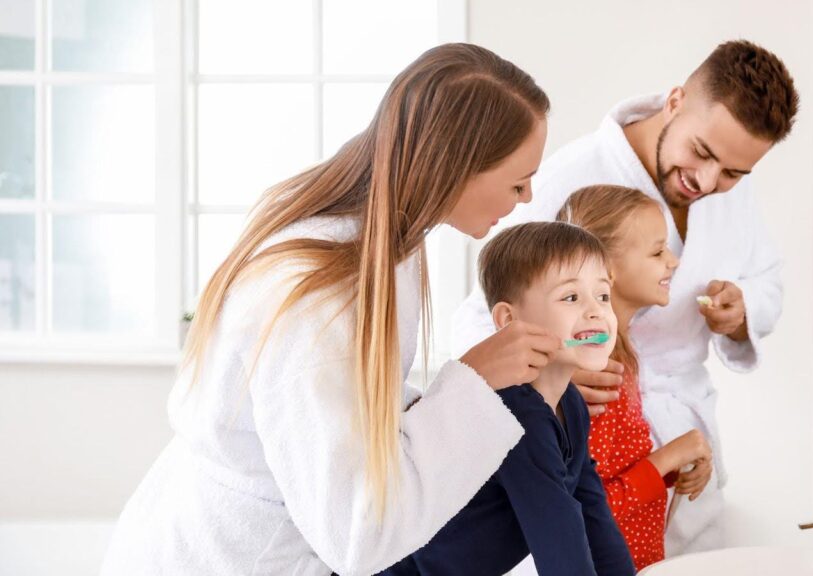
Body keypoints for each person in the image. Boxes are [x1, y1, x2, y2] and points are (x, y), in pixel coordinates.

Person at [100, 43, 563, 576]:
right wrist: (475, 382)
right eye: (517, 181)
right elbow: (358, 532)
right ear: (455, 168)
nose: (528, 197)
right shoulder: (315, 301)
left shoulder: (388, 245)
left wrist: (487, 389)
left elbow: (350, 405)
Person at [452, 39, 800, 555]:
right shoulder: (568, 179)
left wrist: (743, 306)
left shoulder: (730, 186)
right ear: (676, 101)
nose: (708, 181)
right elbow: (487, 314)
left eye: (732, 173)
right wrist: (558, 370)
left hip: (684, 440)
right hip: (598, 424)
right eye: (702, 153)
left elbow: (768, 276)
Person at [379, 221, 635, 576]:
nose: (596, 311)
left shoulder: (571, 405)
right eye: (571, 297)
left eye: (603, 296)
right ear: (509, 320)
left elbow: (591, 510)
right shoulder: (516, 414)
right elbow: (559, 537)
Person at [556, 185, 711, 570]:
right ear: (608, 269)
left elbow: (617, 473)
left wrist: (681, 462)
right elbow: (590, 508)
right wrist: (670, 454)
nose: (673, 262)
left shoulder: (620, 354)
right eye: (658, 252)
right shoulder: (596, 370)